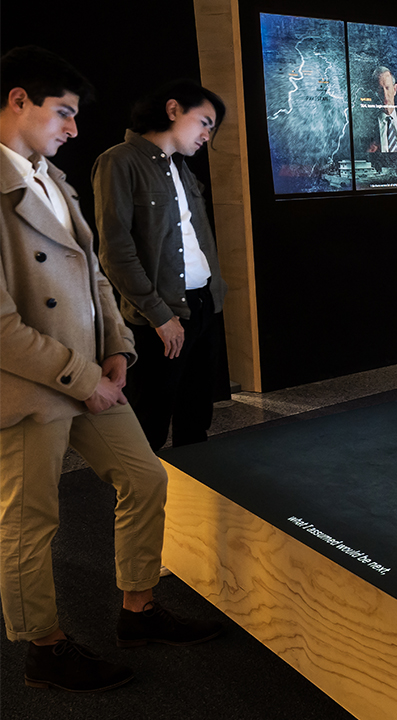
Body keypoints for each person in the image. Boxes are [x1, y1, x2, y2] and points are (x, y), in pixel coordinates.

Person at [0, 46, 220, 694]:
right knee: (30, 518)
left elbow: (93, 273)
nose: (72, 128)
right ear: (17, 101)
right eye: (62, 112)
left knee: (144, 477)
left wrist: (119, 346)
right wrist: (83, 377)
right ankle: (44, 647)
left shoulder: (52, 177)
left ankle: (139, 610)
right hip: (27, 386)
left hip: (94, 370)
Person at [92, 80, 229, 452]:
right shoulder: (118, 161)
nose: (207, 134)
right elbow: (116, 252)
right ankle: (145, 507)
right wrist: (160, 316)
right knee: (149, 423)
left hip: (204, 306)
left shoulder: (180, 167)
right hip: (161, 316)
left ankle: (198, 500)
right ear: (173, 110)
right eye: (204, 122)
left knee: (197, 419)